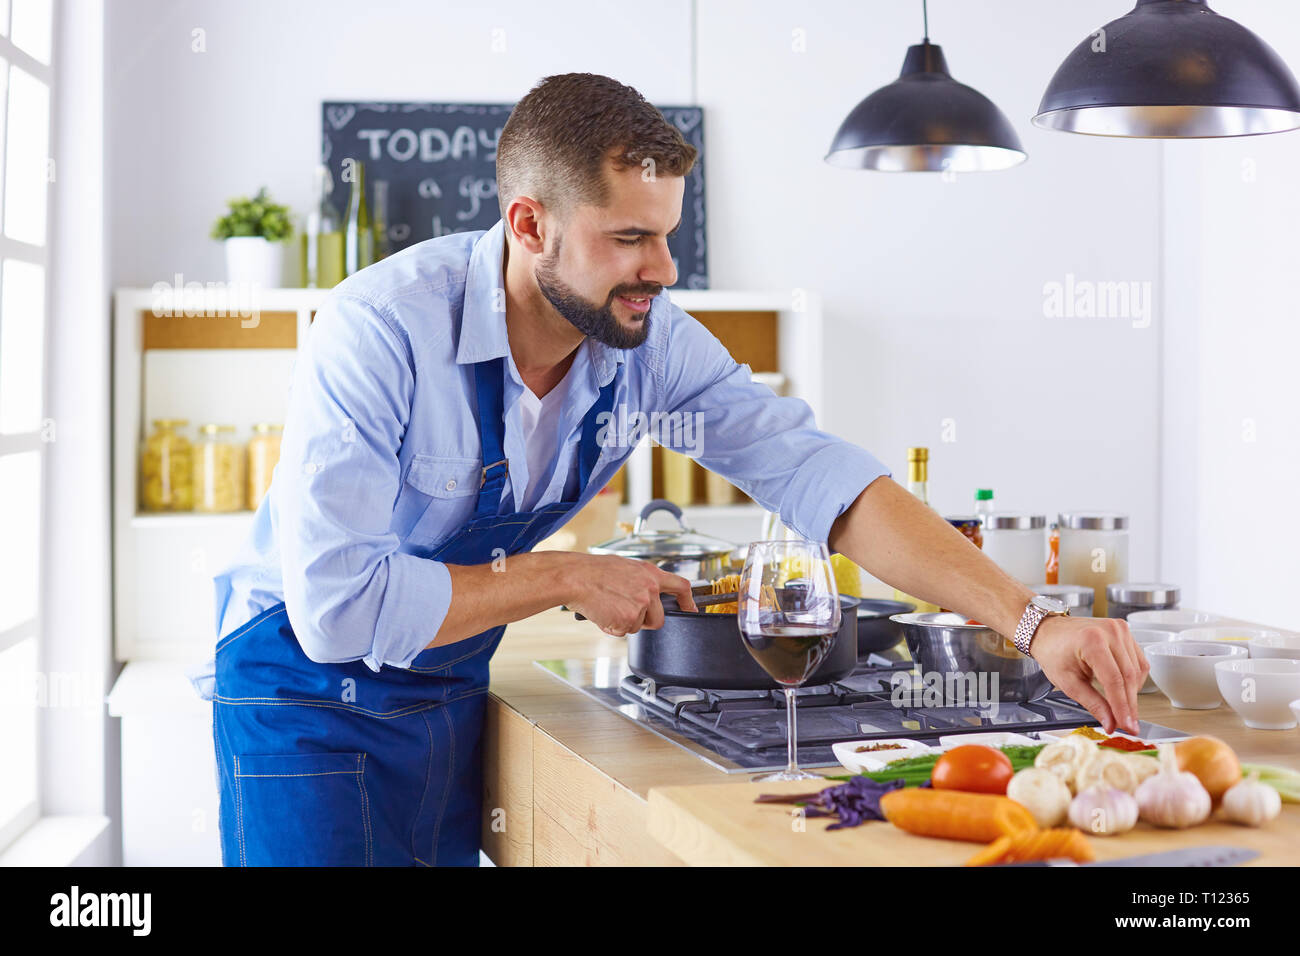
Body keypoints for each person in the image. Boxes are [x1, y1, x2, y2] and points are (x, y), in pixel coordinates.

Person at [205, 72, 1147, 867]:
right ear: (530, 224)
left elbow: (821, 478)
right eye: (629, 240)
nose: (661, 270)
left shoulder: (646, 343)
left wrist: (1033, 622)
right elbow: (335, 607)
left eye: (667, 236)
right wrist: (568, 574)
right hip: (304, 696)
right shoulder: (381, 330)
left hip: (445, 685)